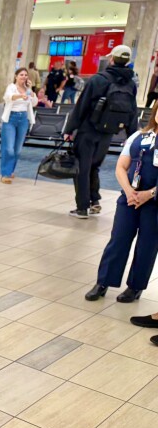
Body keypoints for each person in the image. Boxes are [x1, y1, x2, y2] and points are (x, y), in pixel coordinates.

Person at [84, 105, 158, 304]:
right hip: (129, 198)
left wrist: (149, 194)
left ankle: (135, 286)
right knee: (118, 240)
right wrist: (129, 191)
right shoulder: (138, 136)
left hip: (154, 202)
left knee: (147, 245)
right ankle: (103, 282)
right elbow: (121, 167)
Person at [64, 45, 139, 219]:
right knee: (94, 166)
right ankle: (94, 201)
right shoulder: (130, 83)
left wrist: (70, 129)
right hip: (108, 132)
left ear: (112, 59)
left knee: (82, 168)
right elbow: (132, 111)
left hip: (88, 130)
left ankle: (82, 208)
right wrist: (132, 135)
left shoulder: (98, 79)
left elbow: (82, 105)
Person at [0, 68, 37, 184]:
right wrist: (21, 96)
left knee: (17, 150)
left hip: (23, 119)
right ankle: (5, 174)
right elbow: (8, 97)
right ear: (16, 76)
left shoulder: (28, 89)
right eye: (21, 75)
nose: (24, 77)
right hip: (11, 118)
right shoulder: (11, 87)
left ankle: (10, 170)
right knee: (9, 148)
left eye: (25, 75)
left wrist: (30, 90)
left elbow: (34, 102)